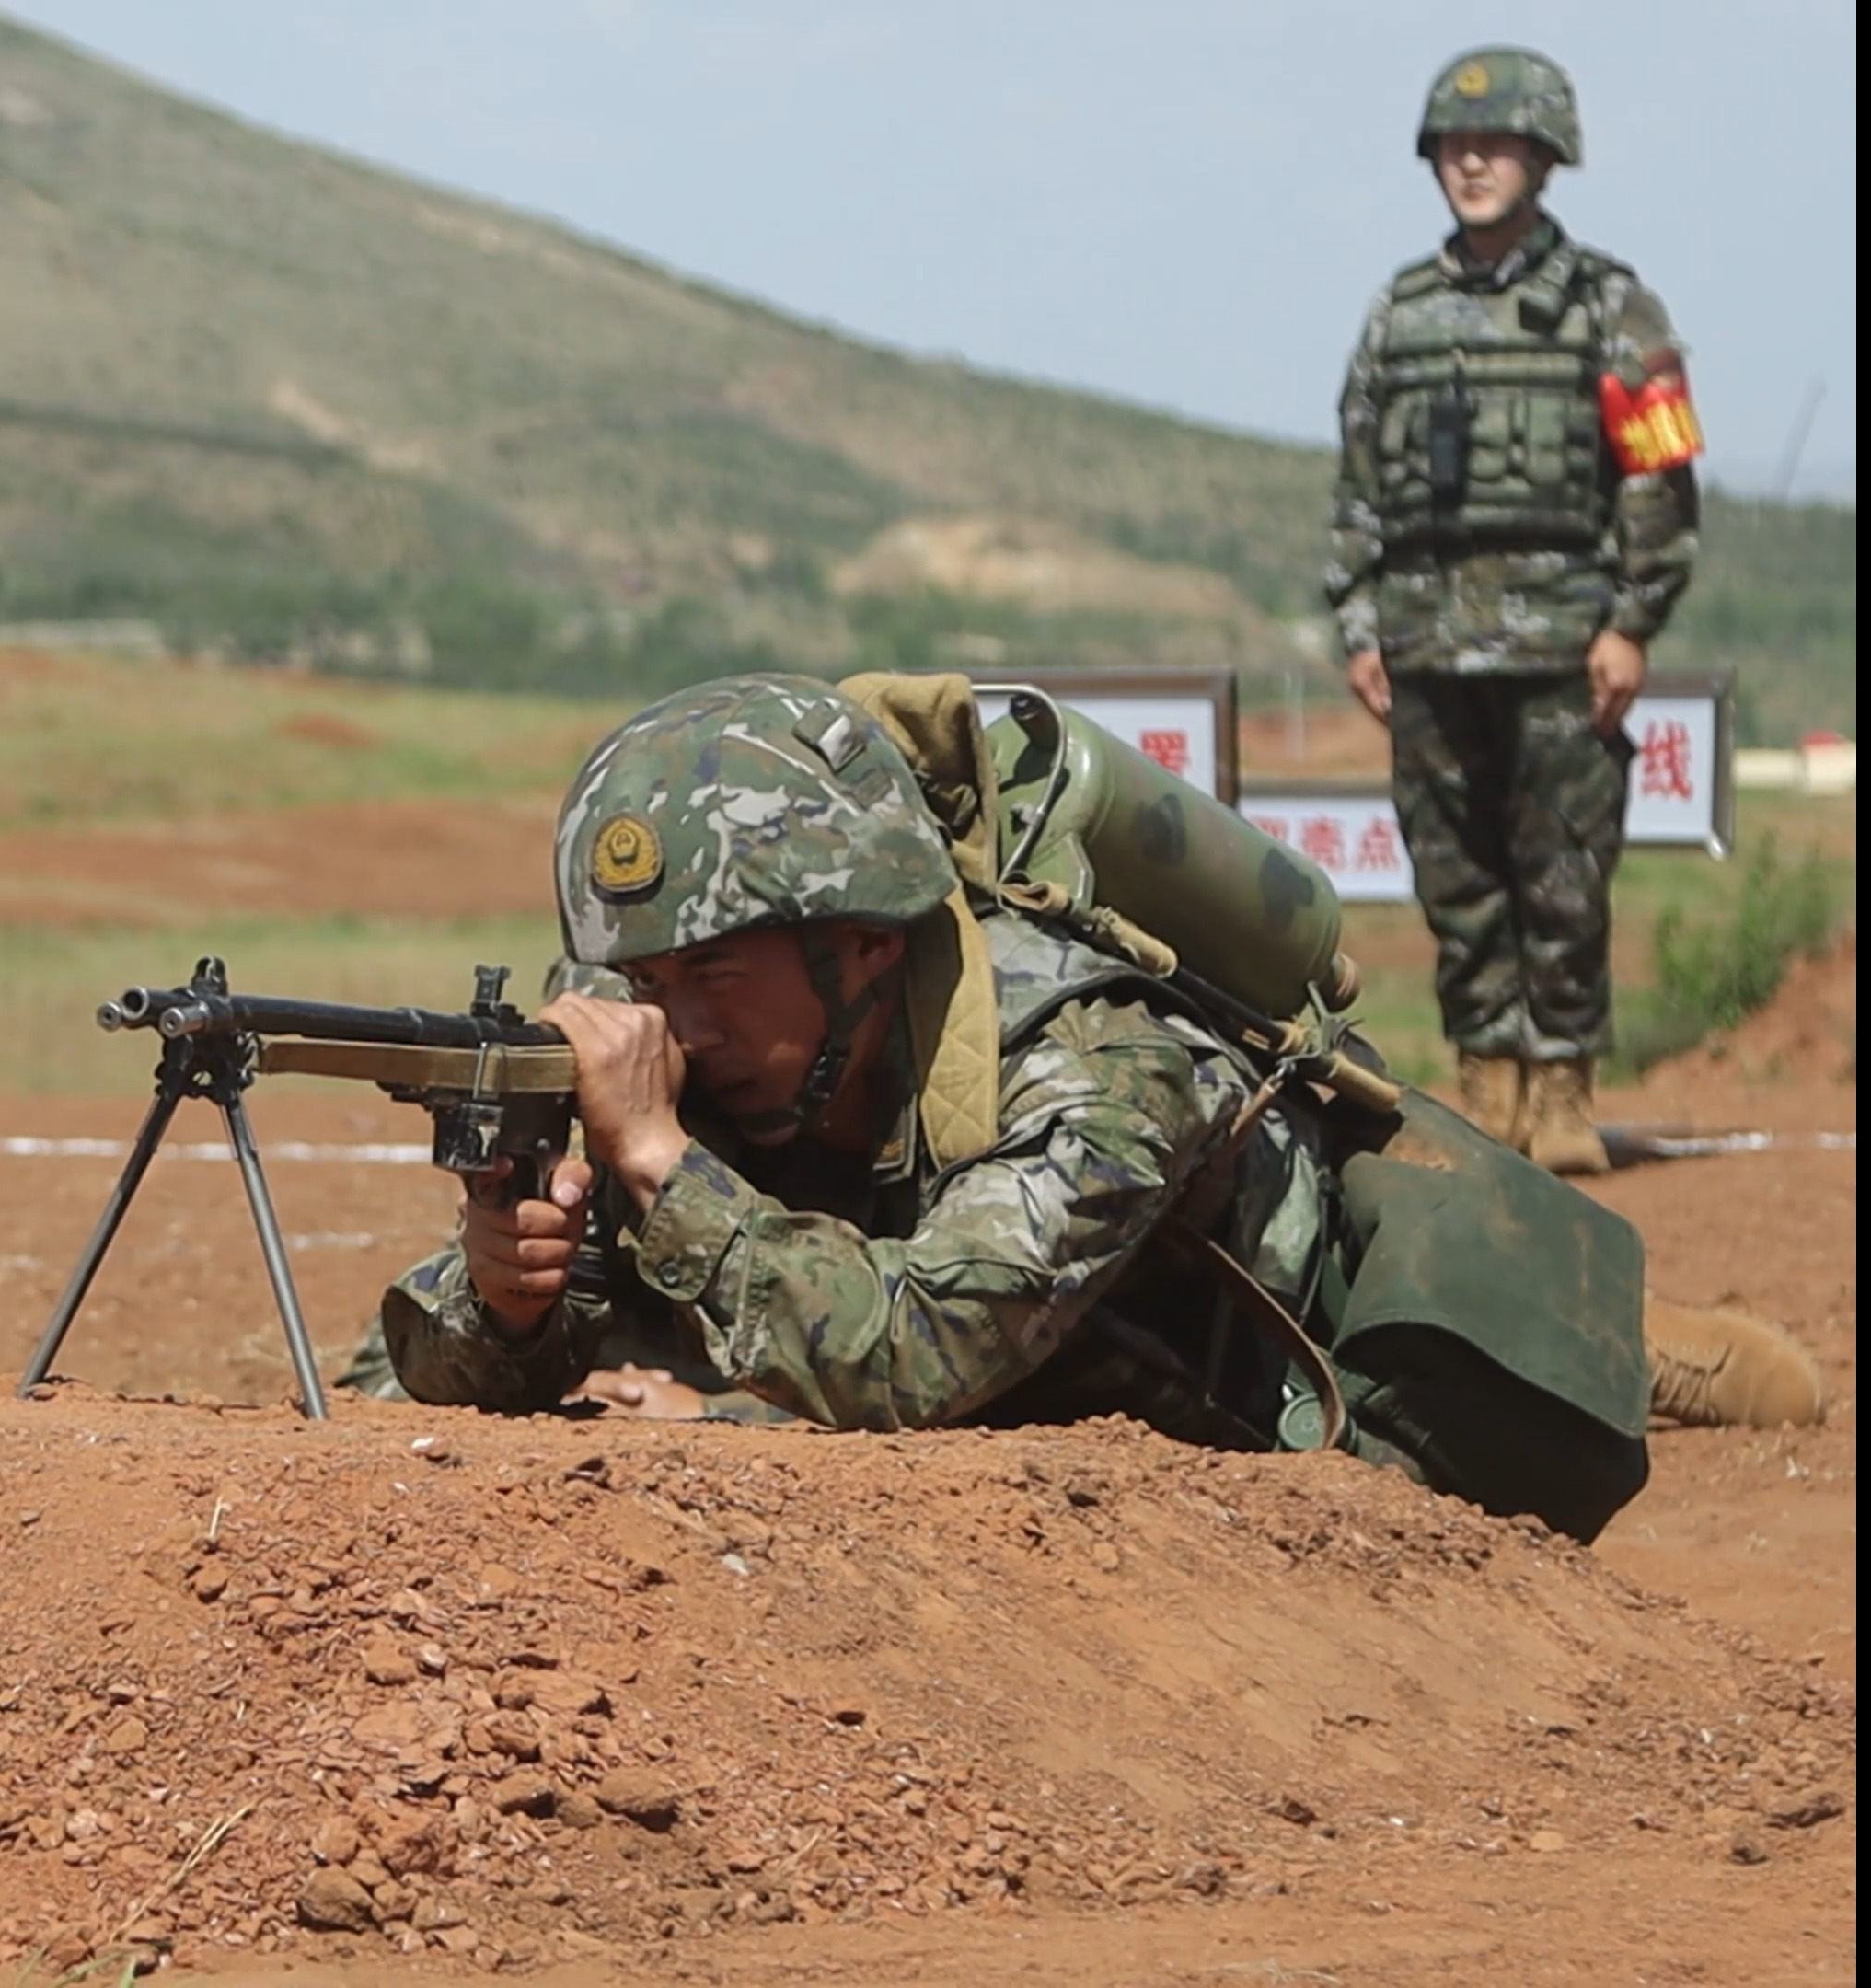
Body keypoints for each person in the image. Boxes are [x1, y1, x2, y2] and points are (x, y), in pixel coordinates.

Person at [342, 674, 1818, 1535]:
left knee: (1518, 1401)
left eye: (712, 968)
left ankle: (1648, 1357)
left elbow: (918, 1355)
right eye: (636, 973)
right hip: (1022, 1354)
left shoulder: (1097, 1058)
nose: (664, 1015)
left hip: (1326, 1367)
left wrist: (663, 1164)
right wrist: (505, 1300)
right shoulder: (717, 1061)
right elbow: (394, 1377)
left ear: (860, 943)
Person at [1325, 46, 1701, 1175]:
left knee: (1565, 874)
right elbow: (1356, 483)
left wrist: (1634, 620)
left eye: (1495, 144)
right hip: (1428, 643)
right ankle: (1489, 1080)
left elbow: (1660, 476)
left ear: (1545, 156)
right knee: (1456, 876)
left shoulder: (1610, 307)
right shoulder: (1401, 312)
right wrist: (1358, 623)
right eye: (1454, 144)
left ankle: (1564, 1090)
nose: (1472, 160)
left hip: (1561, 646)